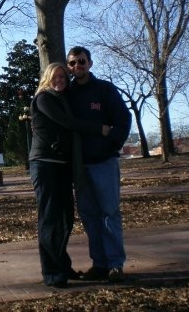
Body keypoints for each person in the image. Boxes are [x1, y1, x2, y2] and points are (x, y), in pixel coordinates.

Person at [28, 62, 111, 289]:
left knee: (64, 218)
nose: (59, 81)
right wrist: (99, 129)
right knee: (50, 218)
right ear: (47, 78)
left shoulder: (63, 100)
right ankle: (53, 273)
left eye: (63, 78)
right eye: (55, 78)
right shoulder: (44, 98)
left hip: (62, 165)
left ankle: (62, 266)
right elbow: (69, 123)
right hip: (45, 164)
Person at [66, 46, 132, 282]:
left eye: (81, 61)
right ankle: (100, 264)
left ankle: (115, 264)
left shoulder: (105, 90)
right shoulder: (67, 94)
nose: (77, 66)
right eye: (72, 63)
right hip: (79, 166)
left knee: (109, 213)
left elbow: (123, 119)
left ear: (90, 63)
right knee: (89, 215)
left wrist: (112, 146)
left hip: (103, 163)